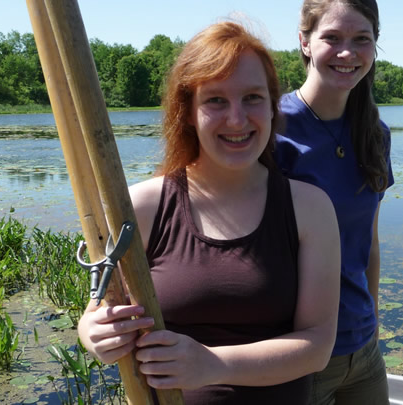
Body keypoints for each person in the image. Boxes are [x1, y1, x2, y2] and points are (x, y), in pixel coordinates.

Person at [77, 21, 341, 405]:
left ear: (272, 106)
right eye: (215, 100)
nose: (236, 119)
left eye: (252, 97)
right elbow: (97, 310)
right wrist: (94, 333)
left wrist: (214, 364)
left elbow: (317, 347)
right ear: (187, 112)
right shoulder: (142, 207)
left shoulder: (309, 208)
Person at [273, 0, 393, 403]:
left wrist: (371, 319)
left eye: (362, 39)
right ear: (305, 42)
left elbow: (368, 242)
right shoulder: (271, 130)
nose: (348, 53)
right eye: (332, 38)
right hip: (301, 356)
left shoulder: (374, 133)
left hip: (363, 352)